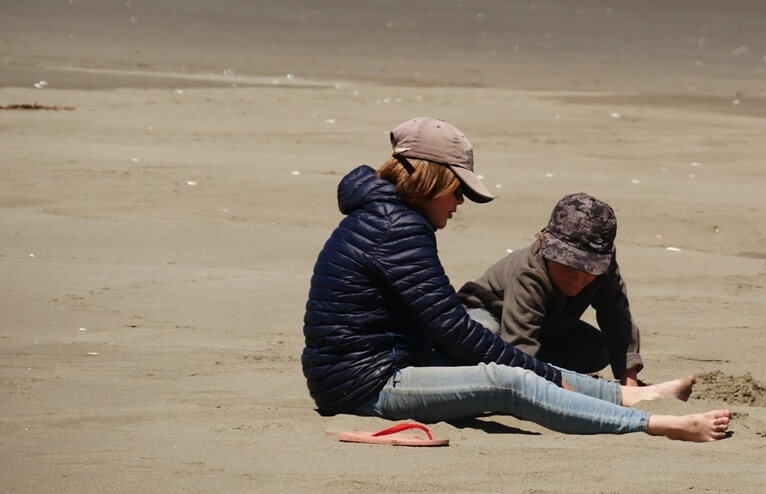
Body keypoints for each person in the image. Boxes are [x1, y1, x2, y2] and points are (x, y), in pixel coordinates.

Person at [301, 116, 730, 442]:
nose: (460, 203)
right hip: (367, 384)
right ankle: (654, 424)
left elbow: (444, 324)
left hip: (390, 365)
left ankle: (630, 396)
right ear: (435, 179)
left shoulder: (389, 217)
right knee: (511, 380)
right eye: (459, 190)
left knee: (530, 369)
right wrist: (534, 371)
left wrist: (547, 371)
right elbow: (453, 328)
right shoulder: (398, 227)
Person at [459, 192, 644, 386]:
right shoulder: (529, 273)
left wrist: (629, 381)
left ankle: (538, 368)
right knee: (483, 332)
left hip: (543, 329)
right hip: (486, 317)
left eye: (589, 270)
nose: (577, 280)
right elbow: (519, 345)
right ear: (543, 244)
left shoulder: (604, 263)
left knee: (599, 350)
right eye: (568, 267)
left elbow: (617, 316)